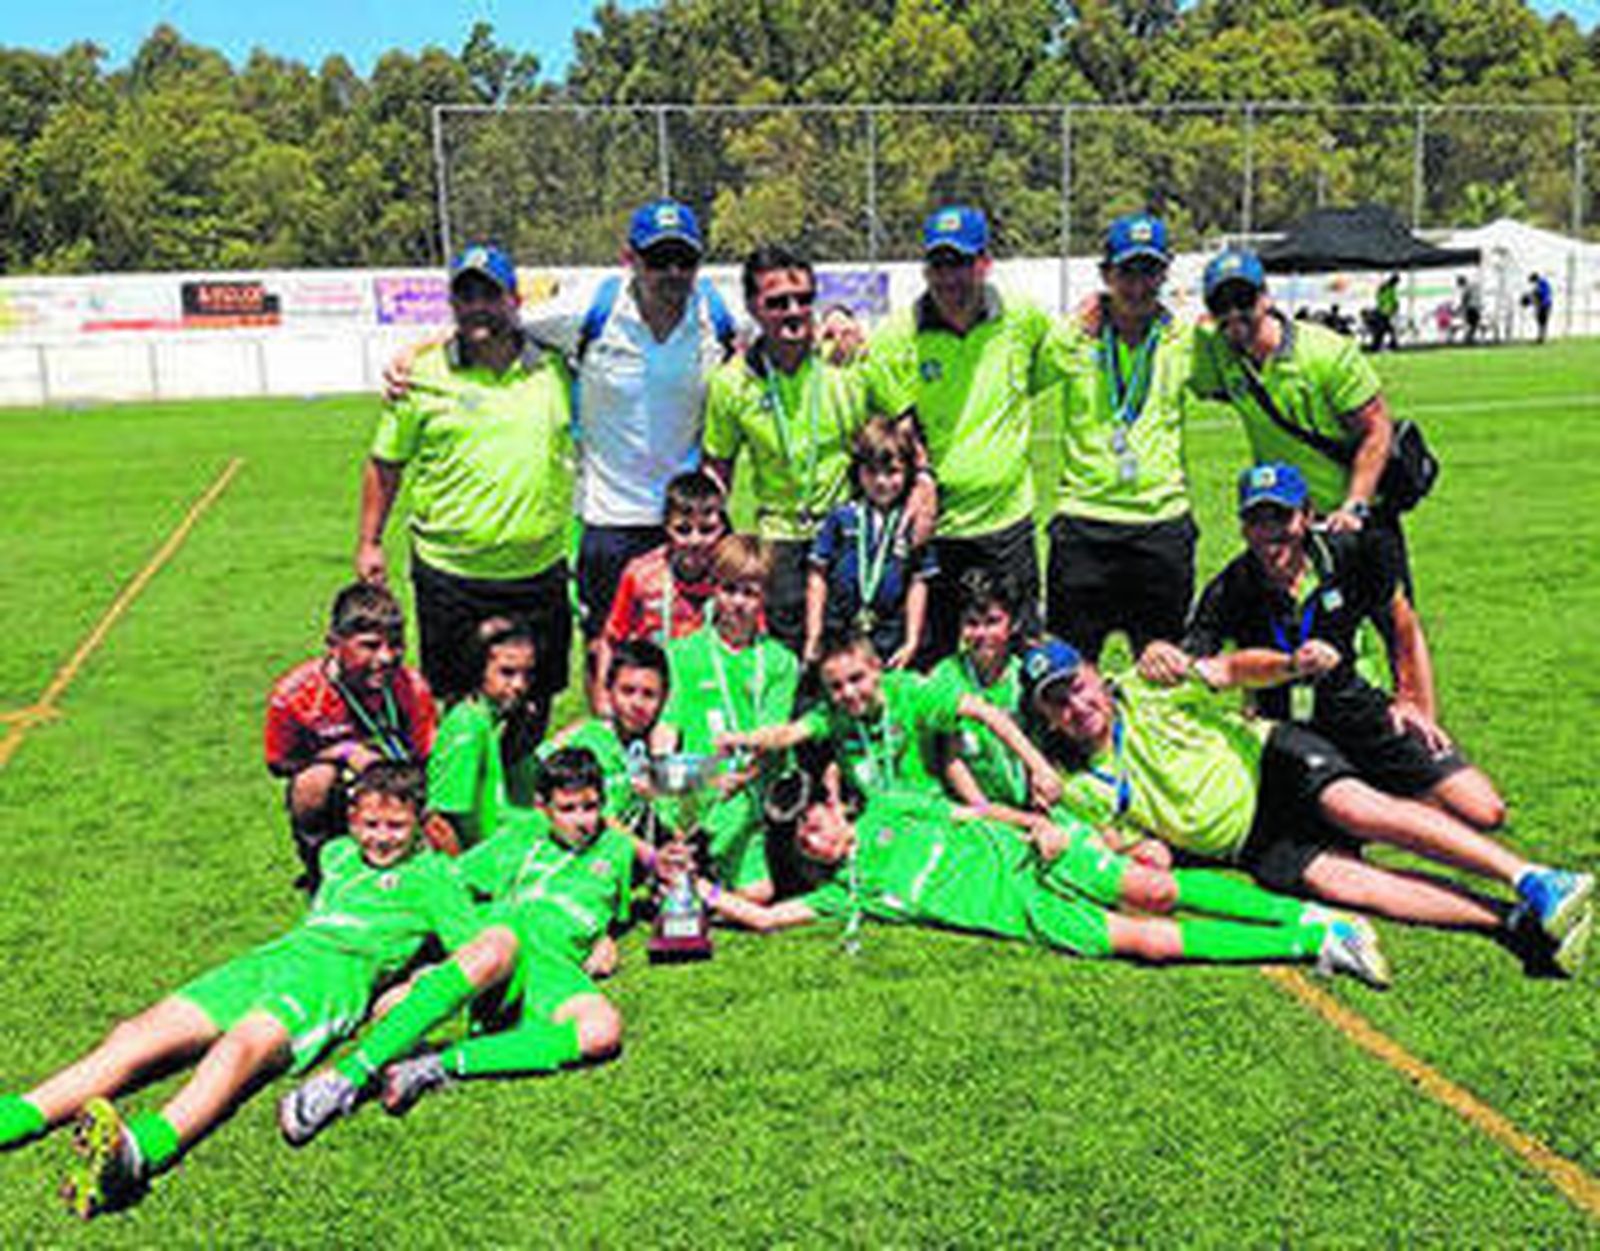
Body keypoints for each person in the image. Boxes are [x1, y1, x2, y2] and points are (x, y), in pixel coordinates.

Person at [0, 762, 495, 1217]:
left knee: (242, 1046)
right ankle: (19, 1116)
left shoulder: (435, 877)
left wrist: (407, 985)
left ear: (420, 822)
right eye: (370, 824)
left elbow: (471, 954)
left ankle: (139, 1152)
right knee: (136, 1033)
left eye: (395, 827)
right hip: (271, 960)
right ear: (351, 818)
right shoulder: (338, 854)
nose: (380, 838)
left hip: (332, 980)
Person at [1022, 639, 1594, 974]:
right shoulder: (1076, 785)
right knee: (1354, 888)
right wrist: (1139, 850)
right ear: (1048, 718)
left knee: (1362, 810)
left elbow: (1233, 670)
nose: (1076, 705)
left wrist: (1292, 666)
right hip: (1248, 843)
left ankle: (1533, 879)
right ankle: (1512, 923)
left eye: (1076, 684)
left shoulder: (1147, 685)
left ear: (1094, 674)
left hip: (1274, 764)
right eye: (1057, 701)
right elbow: (1114, 843)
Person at [383, 201, 739, 650]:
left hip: (694, 518)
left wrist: (839, 318)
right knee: (604, 646)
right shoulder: (592, 307)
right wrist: (417, 349)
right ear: (630, 258)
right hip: (609, 518)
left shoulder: (717, 312)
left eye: (684, 260)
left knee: (706, 642)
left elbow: (786, 325)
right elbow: (499, 320)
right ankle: (605, 723)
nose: (671, 272)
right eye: (657, 259)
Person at [276, 749, 670, 1139]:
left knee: (603, 1030)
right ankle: (344, 1079)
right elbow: (452, 878)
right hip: (503, 943)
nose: (583, 821)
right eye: (568, 809)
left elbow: (607, 907)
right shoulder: (520, 837)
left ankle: (437, 1064)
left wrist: (605, 938)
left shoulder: (617, 850)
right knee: (393, 1006)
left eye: (591, 807)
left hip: (554, 963)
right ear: (543, 808)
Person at [679, 783, 1390, 987]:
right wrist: (690, 890)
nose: (814, 835)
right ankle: (1315, 938)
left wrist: (1041, 825)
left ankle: (1308, 909)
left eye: (815, 820)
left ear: (836, 809)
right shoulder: (848, 892)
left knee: (1156, 891)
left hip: (1038, 859)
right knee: (1149, 945)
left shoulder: (893, 804)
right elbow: (769, 920)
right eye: (803, 838)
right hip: (1027, 914)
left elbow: (974, 809)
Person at [1146, 464, 1483, 821]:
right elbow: (1195, 656)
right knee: (1356, 822)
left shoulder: (1349, 555)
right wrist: (1161, 654)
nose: (1269, 532)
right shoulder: (1229, 588)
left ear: (1307, 515)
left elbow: (1400, 620)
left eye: (1281, 517)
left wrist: (1411, 701)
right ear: (1243, 526)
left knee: (1481, 808)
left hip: (1354, 704)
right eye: (1256, 520)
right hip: (1287, 729)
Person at [357, 243, 575, 708]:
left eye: (490, 294)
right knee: (459, 709)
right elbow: (385, 462)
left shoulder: (557, 369)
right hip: (451, 575)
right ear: (452, 304)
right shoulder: (420, 374)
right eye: (466, 295)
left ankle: (518, 784)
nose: (478, 306)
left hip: (536, 573)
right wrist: (370, 542)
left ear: (514, 300)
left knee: (533, 705)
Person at [865, 205, 1066, 661]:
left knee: (1020, 651)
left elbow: (1057, 363)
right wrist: (924, 477)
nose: (950, 277)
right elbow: (899, 424)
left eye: (961, 262)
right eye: (939, 264)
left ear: (985, 263)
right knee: (928, 653)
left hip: (1006, 524)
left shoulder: (1023, 321)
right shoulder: (898, 335)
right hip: (934, 526)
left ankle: (1018, 732)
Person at [1191, 247, 1421, 645]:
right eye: (1220, 305)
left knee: (1394, 631)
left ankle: (1416, 707)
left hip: (1354, 524)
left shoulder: (1325, 353)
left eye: (1243, 300)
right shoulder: (1222, 357)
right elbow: (1201, 380)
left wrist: (1355, 506)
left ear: (1266, 297)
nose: (1233, 314)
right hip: (1287, 525)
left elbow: (1376, 428)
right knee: (1298, 641)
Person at [701, 244, 916, 652]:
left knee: (855, 655)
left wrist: (920, 484)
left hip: (848, 533)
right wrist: (713, 538)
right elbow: (718, 467)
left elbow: (905, 423)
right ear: (752, 306)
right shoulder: (731, 384)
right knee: (790, 658)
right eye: (778, 302)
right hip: (779, 538)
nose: (793, 311)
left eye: (803, 300)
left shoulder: (848, 360)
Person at [1047, 212, 1199, 663]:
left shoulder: (1187, 340)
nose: (1137, 286)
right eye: (1126, 272)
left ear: (1164, 273)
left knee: (1162, 673)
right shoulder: (1071, 340)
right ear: (1105, 275)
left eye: (1149, 271)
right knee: (1071, 676)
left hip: (1160, 526)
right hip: (1083, 524)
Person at [724, 633, 1060, 811]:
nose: (849, 693)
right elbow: (788, 734)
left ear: (877, 668)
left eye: (857, 678)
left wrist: (1039, 766)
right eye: (836, 687)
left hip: (932, 813)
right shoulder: (835, 714)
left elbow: (986, 713)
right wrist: (746, 739)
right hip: (879, 822)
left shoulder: (910, 691)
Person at [265, 582, 437, 889]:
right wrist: (343, 753)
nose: (386, 657)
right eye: (370, 645)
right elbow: (279, 764)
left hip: (401, 784)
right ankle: (322, 875)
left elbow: (428, 757)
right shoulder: (294, 695)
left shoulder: (411, 686)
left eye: (396, 644)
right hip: (339, 791)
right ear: (334, 644)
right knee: (311, 784)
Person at [661, 535, 800, 901]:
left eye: (749, 593)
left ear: (764, 597)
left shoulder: (780, 662)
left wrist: (740, 777)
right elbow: (667, 726)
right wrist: (668, 774)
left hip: (747, 789)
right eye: (729, 589)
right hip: (693, 783)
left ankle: (697, 899)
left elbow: (772, 735)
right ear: (714, 589)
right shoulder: (683, 652)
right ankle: (688, 876)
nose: (737, 602)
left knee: (759, 892)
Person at [805, 417, 936, 671]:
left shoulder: (913, 522)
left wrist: (911, 640)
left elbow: (918, 583)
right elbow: (817, 575)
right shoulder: (841, 517)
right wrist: (814, 634)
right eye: (872, 472)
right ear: (858, 471)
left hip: (890, 641)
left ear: (908, 471)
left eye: (892, 472)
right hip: (840, 634)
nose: (881, 482)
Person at [591, 469, 727, 713]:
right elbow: (611, 640)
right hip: (651, 693)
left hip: (710, 689)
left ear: (723, 528)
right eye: (683, 530)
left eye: (707, 530)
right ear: (665, 526)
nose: (695, 541)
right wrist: (603, 696)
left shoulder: (730, 578)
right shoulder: (642, 574)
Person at [427, 617, 543, 852]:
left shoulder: (508, 719)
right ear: (478, 669)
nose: (520, 685)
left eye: (527, 674)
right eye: (507, 673)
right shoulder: (467, 726)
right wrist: (462, 880)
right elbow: (440, 823)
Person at [543, 639, 675, 830]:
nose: (637, 704)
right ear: (608, 690)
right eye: (627, 691)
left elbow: (674, 825)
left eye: (648, 694)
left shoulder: (660, 750)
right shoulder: (589, 740)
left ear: (665, 698)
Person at [930, 569, 1031, 815]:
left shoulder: (1026, 673)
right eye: (971, 624)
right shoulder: (946, 675)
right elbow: (951, 758)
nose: (982, 634)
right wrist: (987, 810)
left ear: (1013, 623)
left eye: (992, 622)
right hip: (974, 805)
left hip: (1030, 800)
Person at [1369, 272, 1400, 352]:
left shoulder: (1387, 288)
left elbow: (1382, 298)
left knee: (1384, 330)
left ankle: (1377, 346)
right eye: (1396, 282)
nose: (1396, 284)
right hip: (1383, 313)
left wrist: (1394, 306)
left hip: (1384, 312)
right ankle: (1388, 345)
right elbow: (1385, 299)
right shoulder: (1387, 288)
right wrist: (1392, 306)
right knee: (1385, 330)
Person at [1456, 274, 1483, 345]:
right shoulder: (1470, 287)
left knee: (1472, 323)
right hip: (1474, 308)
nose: (1459, 287)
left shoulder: (1466, 288)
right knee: (1473, 324)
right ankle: (1469, 337)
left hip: (1471, 308)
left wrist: (1461, 307)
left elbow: (1464, 299)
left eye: (1459, 284)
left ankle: (1468, 337)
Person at [1527, 273, 1553, 343]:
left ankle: (1542, 338)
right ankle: (1540, 337)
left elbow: (1545, 294)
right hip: (1541, 306)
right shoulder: (1538, 285)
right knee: (1540, 321)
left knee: (1543, 321)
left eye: (1532, 281)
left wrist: (1536, 293)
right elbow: (1535, 298)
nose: (1533, 283)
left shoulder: (1543, 283)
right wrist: (1531, 301)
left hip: (1545, 305)